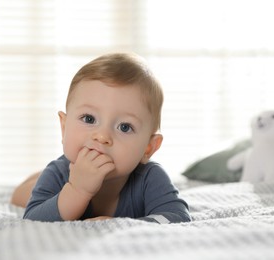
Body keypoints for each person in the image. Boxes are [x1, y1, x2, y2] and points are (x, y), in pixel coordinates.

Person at [19, 53, 191, 223]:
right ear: (64, 128)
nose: (102, 136)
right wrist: (76, 190)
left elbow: (178, 218)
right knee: (21, 195)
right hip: (51, 184)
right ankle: (34, 179)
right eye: (89, 119)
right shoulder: (58, 173)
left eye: (124, 127)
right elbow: (33, 220)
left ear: (148, 147)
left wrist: (121, 224)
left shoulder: (149, 177)